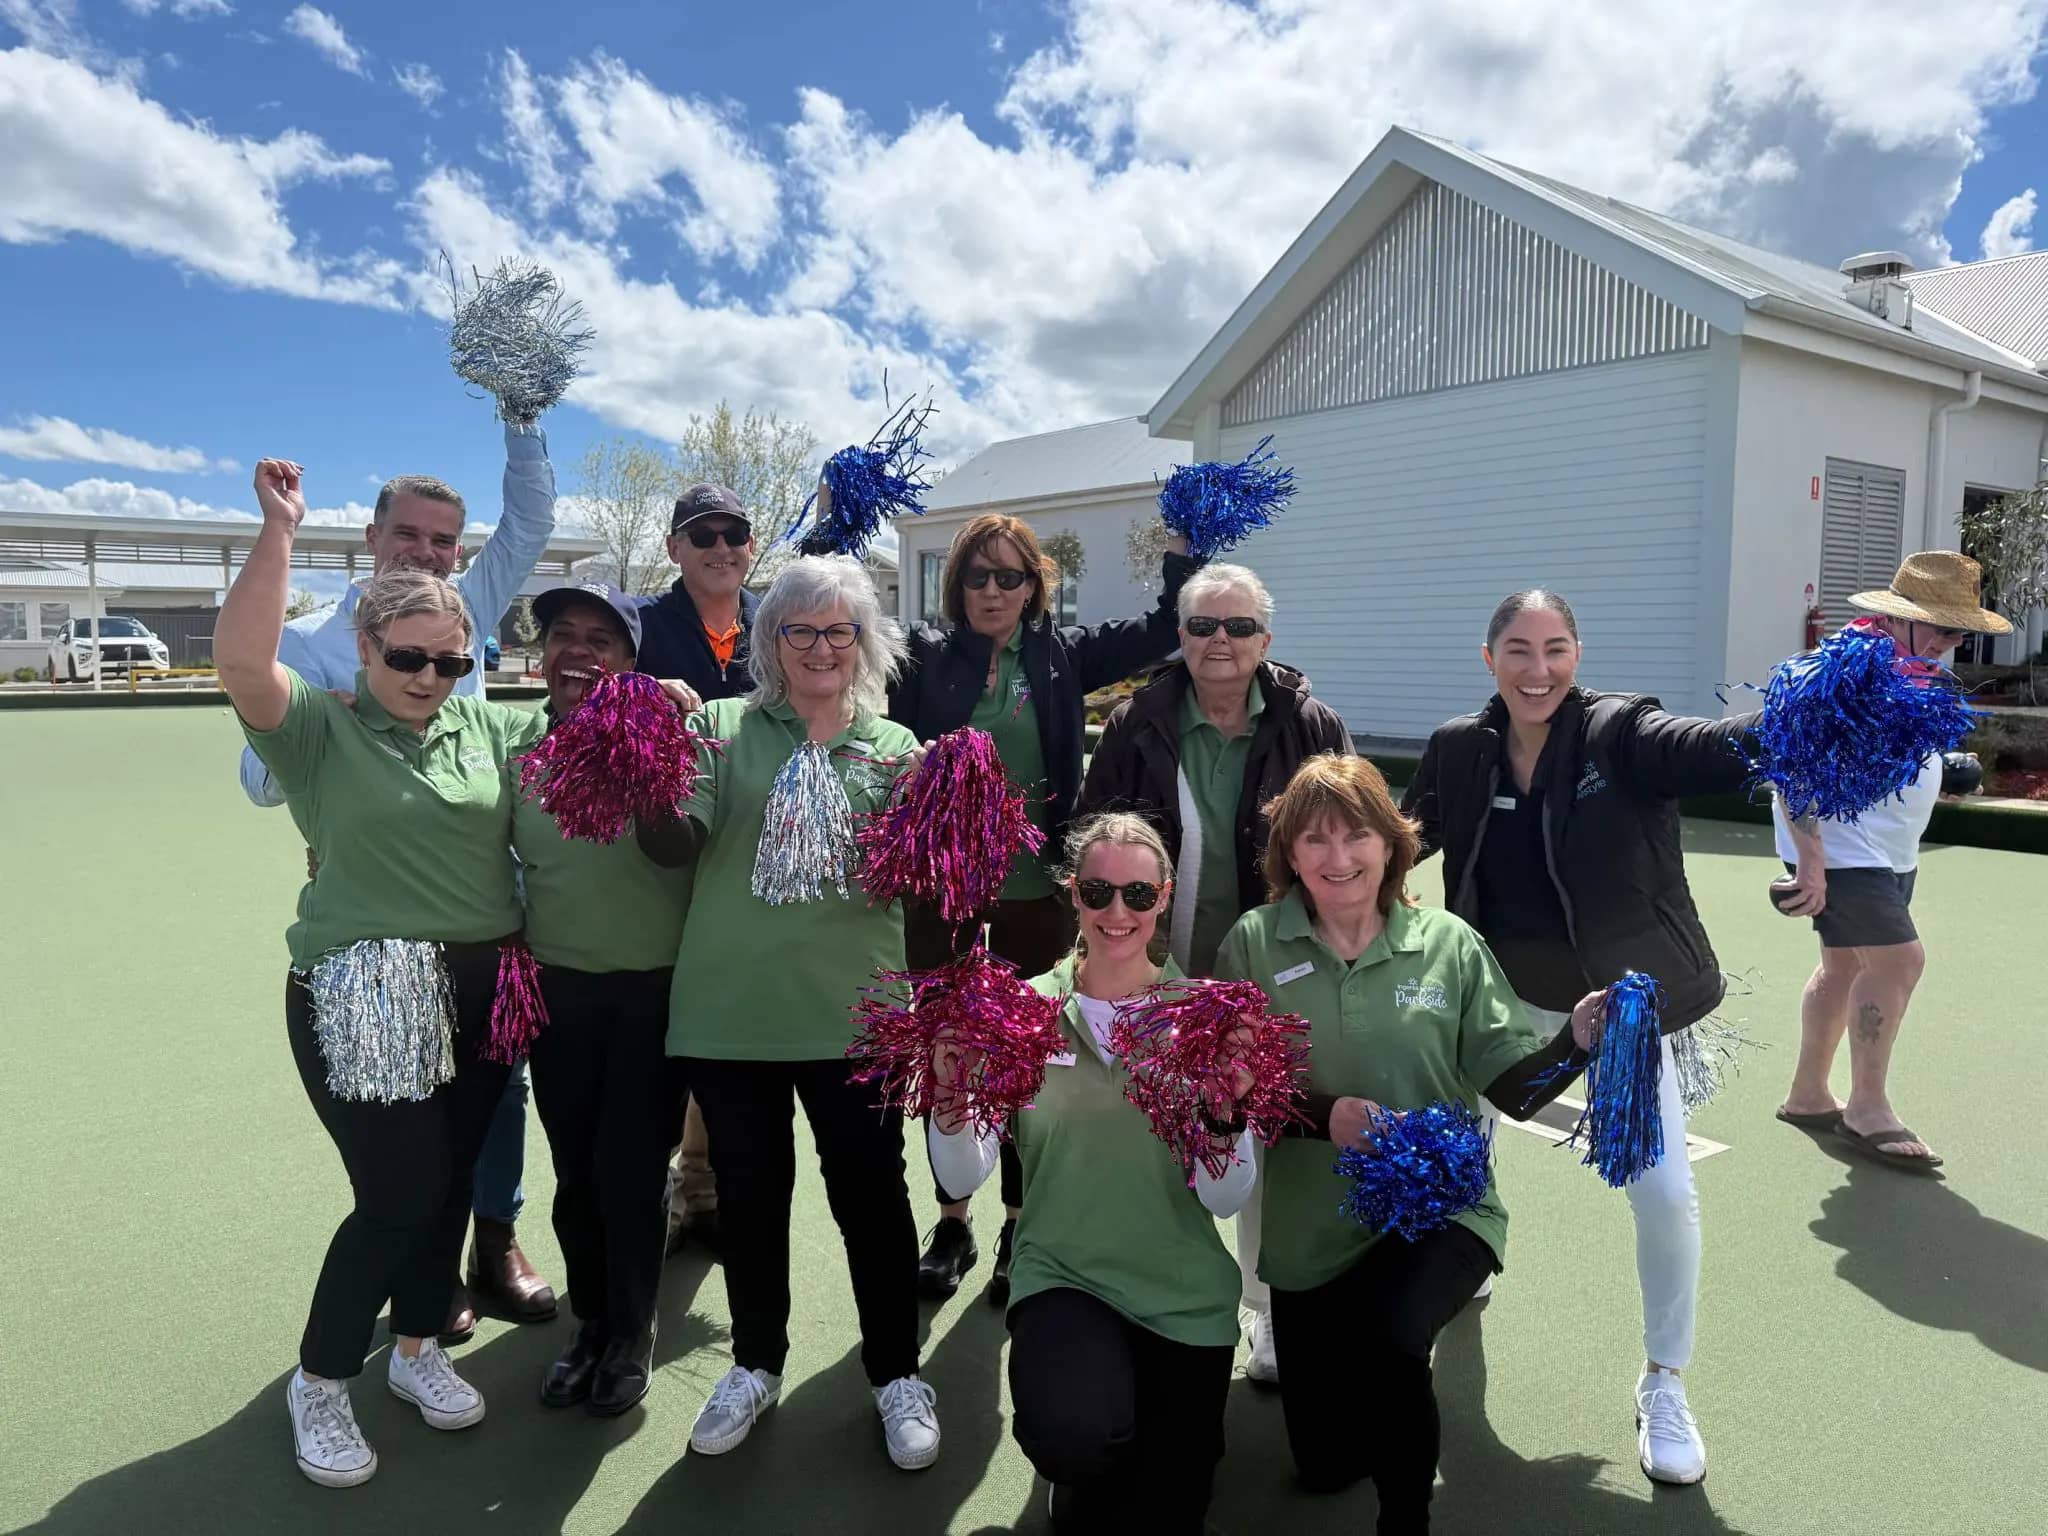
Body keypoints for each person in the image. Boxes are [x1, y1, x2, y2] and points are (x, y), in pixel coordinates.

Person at [222, 460, 553, 1487]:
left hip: (486, 991)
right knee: (398, 1188)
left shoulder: (488, 723)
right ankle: (320, 1380)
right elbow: (242, 662)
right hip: (361, 990)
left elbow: (593, 732)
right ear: (364, 648)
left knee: (451, 1178)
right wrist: (278, 534)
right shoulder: (319, 729)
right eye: (408, 658)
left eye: (451, 662)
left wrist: (663, 692)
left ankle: (415, 1347)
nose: (428, 678)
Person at [1401, 589, 1762, 1488]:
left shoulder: (1618, 734)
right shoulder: (1457, 748)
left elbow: (1712, 749)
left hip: (1621, 1012)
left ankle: (1664, 1379)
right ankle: (1466, 1259)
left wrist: (1804, 715)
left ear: (1578, 652)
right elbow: (1403, 841)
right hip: (1491, 1000)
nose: (1539, 669)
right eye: (1518, 650)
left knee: (1665, 1192)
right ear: (1488, 659)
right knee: (1455, 1150)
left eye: (1556, 648)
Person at [1214, 754, 1597, 1534]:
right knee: (1323, 1467)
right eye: (1313, 840)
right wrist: (1328, 1119)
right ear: (1288, 855)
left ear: (1392, 846)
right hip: (1310, 1231)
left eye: (1357, 835)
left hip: (1439, 1214)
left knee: (1392, 1341)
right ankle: (1362, 1395)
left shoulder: (1448, 944)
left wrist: (1580, 1044)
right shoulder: (1253, 943)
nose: (1338, 858)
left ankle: (1406, 1519)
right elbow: (1237, 1094)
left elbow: (1511, 1089)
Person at [638, 554, 941, 1470]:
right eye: (798, 630)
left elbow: (929, 893)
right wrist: (649, 765)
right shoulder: (722, 731)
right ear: (771, 642)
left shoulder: (899, 751)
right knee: (752, 1201)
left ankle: (896, 1373)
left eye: (838, 630)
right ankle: (756, 1363)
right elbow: (670, 844)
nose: (819, 646)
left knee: (873, 1201)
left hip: (857, 1023)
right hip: (733, 1022)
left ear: (863, 640)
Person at [892, 512, 1201, 1301]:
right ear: (953, 583)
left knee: (1029, 1059)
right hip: (945, 892)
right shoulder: (921, 656)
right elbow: (840, 648)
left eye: (1010, 577)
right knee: (951, 1055)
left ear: (1034, 587)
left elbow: (1166, 626)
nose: (993, 591)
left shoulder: (1060, 655)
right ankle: (953, 1219)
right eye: (977, 576)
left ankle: (1018, 1223)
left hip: (1038, 890)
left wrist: (1180, 550)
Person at [928, 813, 1257, 1533]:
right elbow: (965, 1171)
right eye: (1099, 892)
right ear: (1072, 893)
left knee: (1169, 1511)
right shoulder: (1021, 1012)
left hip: (1183, 1293)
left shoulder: (1203, 1018)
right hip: (1064, 1275)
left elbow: (1227, 1195)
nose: (1118, 913)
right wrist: (950, 1100)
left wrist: (1227, 1116)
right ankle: (1073, 1468)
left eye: (1138, 895)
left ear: (1164, 897)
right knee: (1075, 1439)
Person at [1078, 562, 1351, 1384]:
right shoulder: (1138, 722)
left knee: (1262, 1138)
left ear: (1266, 639)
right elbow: (1094, 834)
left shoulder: (1310, 722)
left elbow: (1351, 836)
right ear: (1181, 636)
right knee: (1156, 1138)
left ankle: (1263, 1308)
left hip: (1280, 974)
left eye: (1237, 628)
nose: (1219, 642)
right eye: (1202, 627)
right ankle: (1152, 1295)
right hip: (1168, 968)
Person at [515, 581, 701, 1416]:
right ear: (541, 653)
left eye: (603, 640)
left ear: (632, 661)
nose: (579, 652)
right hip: (555, 992)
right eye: (563, 635)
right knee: (572, 1173)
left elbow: (673, 849)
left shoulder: (675, 739)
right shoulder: (517, 743)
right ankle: (591, 1322)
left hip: (651, 993)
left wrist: (650, 735)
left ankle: (632, 1331)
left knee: (629, 1171)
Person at [1773, 552, 2010, 1172]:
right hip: (1842, 849)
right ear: (1897, 619)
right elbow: (1792, 770)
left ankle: (1808, 1095)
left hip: (1887, 849)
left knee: (1845, 967)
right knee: (1901, 959)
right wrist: (1813, 862)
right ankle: (1867, 1106)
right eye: (1939, 625)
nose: (1950, 641)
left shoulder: (1909, 672)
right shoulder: (1833, 673)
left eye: (1960, 632)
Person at [633, 482, 759, 1258]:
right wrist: (640, 690)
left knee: (729, 1027)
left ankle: (705, 1179)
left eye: (733, 533)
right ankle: (655, 1190)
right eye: (701, 534)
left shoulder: (778, 624)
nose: (719, 547)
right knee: (664, 1028)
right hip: (659, 856)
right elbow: (583, 681)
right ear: (674, 548)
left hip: (751, 854)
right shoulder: (641, 625)